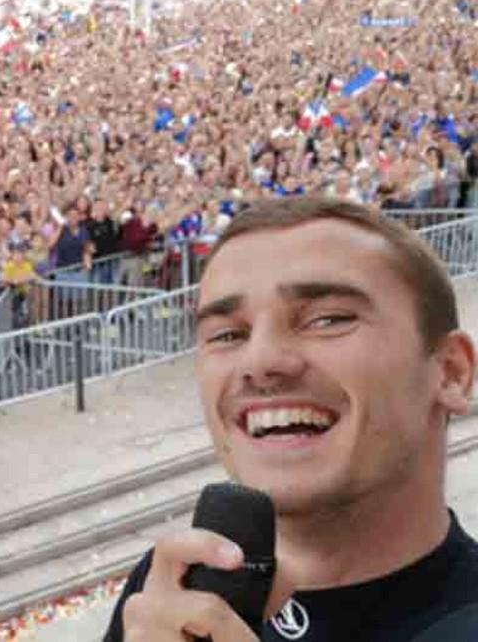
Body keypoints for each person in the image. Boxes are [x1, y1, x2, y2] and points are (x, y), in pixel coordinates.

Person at [103, 197, 478, 641]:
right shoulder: (173, 591)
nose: (260, 361)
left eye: (328, 320)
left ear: (451, 372)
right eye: (227, 335)